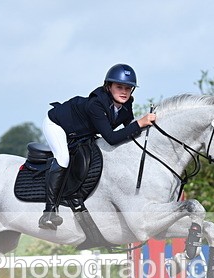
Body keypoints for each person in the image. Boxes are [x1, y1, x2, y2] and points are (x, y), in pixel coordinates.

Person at [38, 63, 158, 230]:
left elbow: (129, 127)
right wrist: (139, 123)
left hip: (82, 132)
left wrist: (146, 128)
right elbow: (111, 138)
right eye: (119, 87)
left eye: (128, 88)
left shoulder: (127, 102)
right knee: (63, 158)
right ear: (108, 86)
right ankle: (49, 212)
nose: (124, 91)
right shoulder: (96, 104)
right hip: (58, 124)